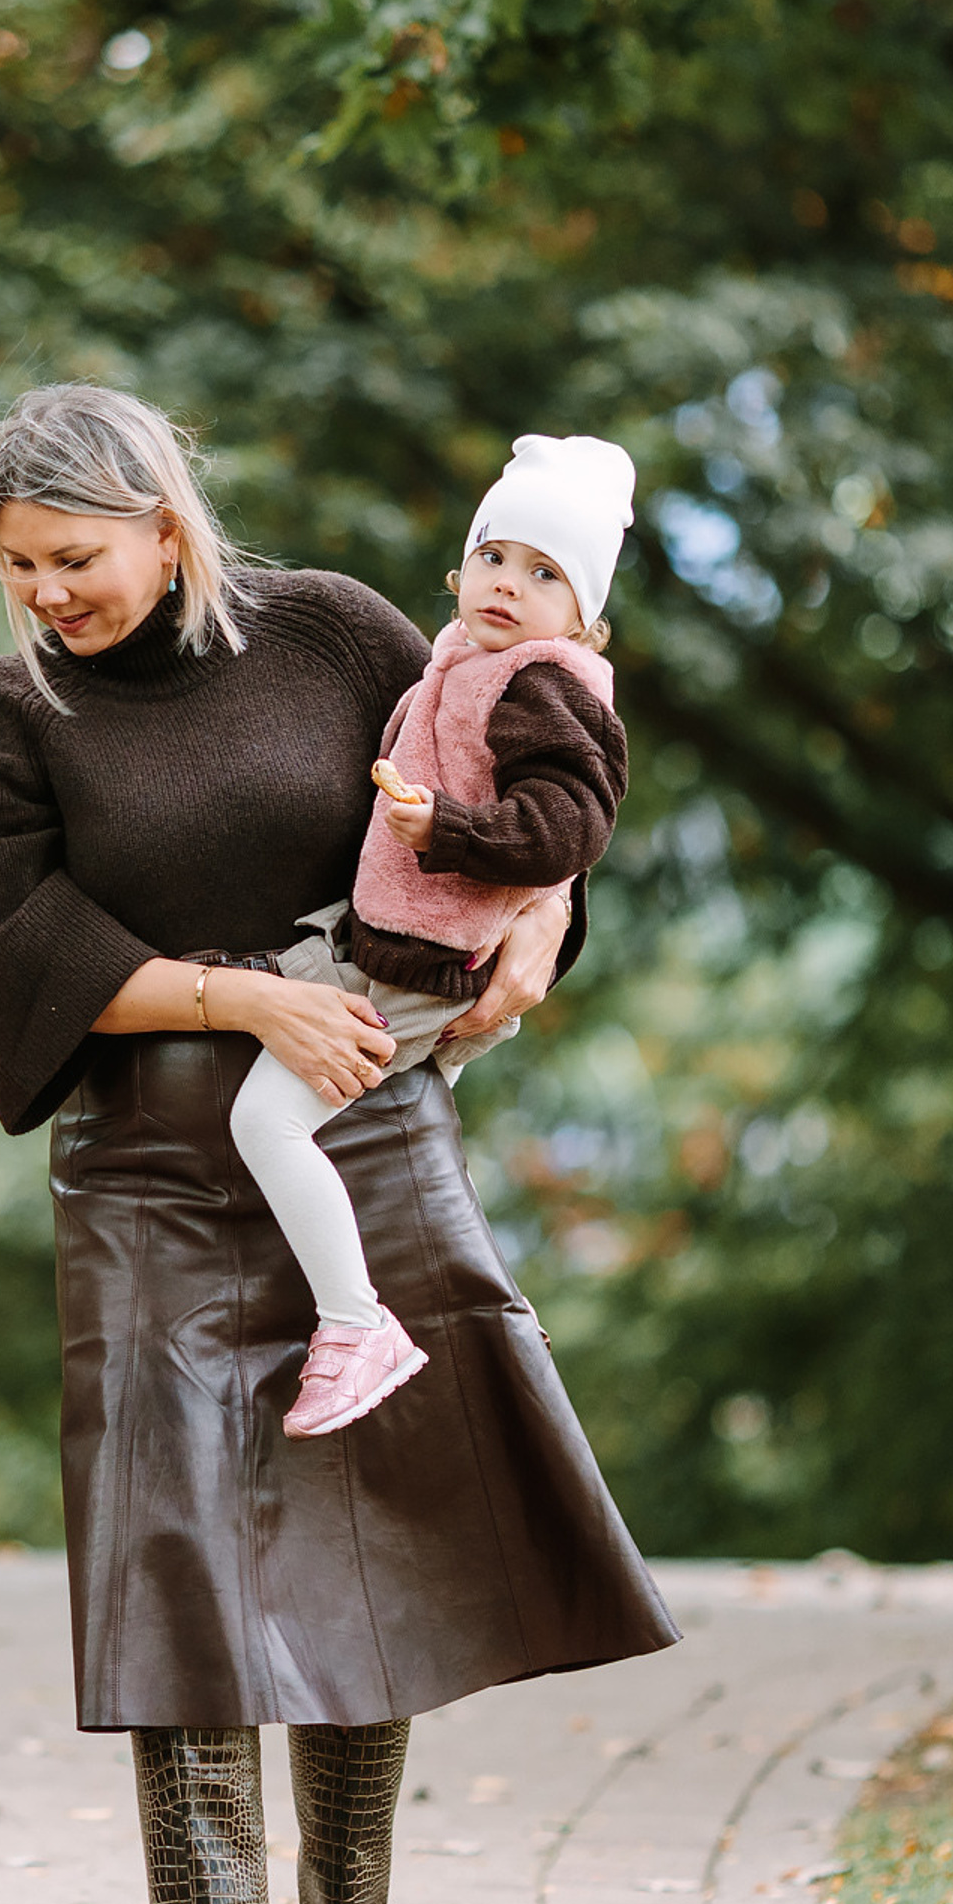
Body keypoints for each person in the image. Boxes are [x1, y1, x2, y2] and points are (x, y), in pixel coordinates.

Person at [0, 382, 675, 1904]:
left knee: (363, 1585)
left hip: (370, 1144)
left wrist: (544, 931)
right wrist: (238, 994)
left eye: (77, 557)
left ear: (164, 522)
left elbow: (528, 765)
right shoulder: (10, 714)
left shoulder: (339, 632)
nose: (50, 594)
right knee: (178, 1597)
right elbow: (11, 943)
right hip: (151, 1172)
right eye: (19, 567)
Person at [227, 433, 636, 1437]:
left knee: (264, 1122)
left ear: (586, 618)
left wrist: (448, 831)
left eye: (546, 575)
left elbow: (570, 826)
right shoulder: (458, 658)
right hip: (388, 937)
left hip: (426, 962)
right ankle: (436, 1315)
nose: (508, 586)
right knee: (333, 1080)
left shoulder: (543, 684)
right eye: (495, 556)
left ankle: (356, 1323)